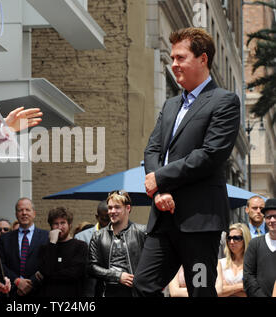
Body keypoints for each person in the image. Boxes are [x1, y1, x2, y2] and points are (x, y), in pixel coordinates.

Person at [134, 27, 241, 297]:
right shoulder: (170, 105)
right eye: (172, 58)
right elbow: (152, 150)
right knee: (143, 285)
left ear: (202, 59)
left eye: (180, 58)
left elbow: (209, 155)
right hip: (163, 218)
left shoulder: (225, 101)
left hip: (199, 222)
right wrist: (159, 191)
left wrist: (160, 178)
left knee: (201, 289)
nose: (174, 64)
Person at [89, 190, 146, 297]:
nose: (112, 211)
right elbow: (91, 268)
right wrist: (118, 276)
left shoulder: (142, 232)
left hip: (136, 292)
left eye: (117, 207)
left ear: (128, 208)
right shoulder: (98, 236)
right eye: (110, 208)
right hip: (107, 292)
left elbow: (154, 262)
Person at [0, 197, 49, 297]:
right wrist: (17, 281)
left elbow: (47, 264)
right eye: (20, 210)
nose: (24, 213)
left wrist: (30, 284)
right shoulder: (5, 238)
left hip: (38, 291)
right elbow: (0, 265)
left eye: (27, 210)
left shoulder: (46, 236)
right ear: (16, 214)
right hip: (12, 292)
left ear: (34, 213)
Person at [34, 207, 88, 297]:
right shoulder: (45, 248)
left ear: (69, 225)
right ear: (51, 226)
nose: (59, 227)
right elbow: (46, 270)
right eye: (56, 224)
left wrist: (48, 276)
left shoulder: (80, 246)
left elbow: (74, 274)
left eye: (63, 223)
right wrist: (52, 243)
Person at [74, 200, 110, 297]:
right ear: (97, 217)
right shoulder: (81, 237)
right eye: (104, 219)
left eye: (110, 219)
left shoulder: (121, 235)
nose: (108, 224)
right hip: (90, 290)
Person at [243, 198, 276, 297]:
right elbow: (248, 276)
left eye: (275, 216)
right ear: (265, 219)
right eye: (269, 217)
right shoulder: (255, 244)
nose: (272, 220)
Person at [218, 223, 251, 297]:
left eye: (237, 238)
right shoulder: (221, 263)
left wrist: (228, 289)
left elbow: (254, 292)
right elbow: (218, 292)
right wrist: (242, 286)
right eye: (229, 238)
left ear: (245, 239)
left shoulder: (253, 264)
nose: (232, 242)